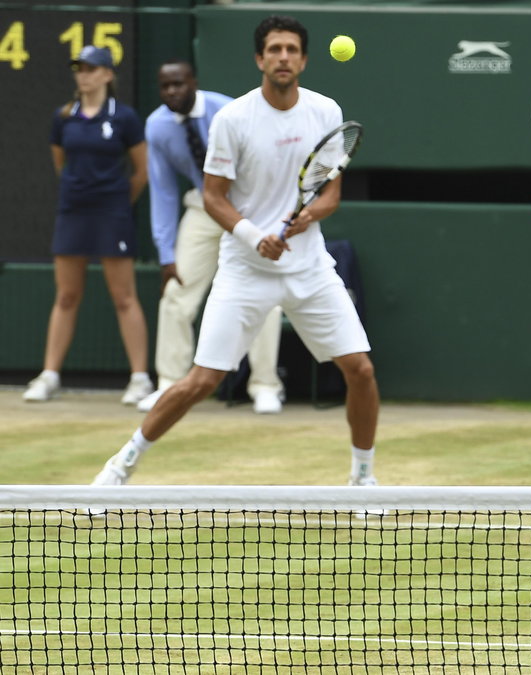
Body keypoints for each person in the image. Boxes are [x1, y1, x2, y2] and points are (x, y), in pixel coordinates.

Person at [90, 15, 381, 492]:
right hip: (246, 268)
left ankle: (363, 479)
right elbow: (213, 197)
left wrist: (309, 217)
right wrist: (253, 236)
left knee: (361, 370)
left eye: (291, 49)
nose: (283, 57)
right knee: (201, 381)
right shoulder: (233, 119)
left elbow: (329, 193)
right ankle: (120, 465)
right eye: (274, 49)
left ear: (303, 59)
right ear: (259, 59)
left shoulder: (326, 111)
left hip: (309, 267)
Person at [141, 60, 285, 415]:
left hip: (250, 209)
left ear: (194, 82)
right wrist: (165, 252)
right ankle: (170, 386)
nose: (172, 92)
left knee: (265, 294)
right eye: (165, 87)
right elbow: (163, 191)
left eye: (178, 84)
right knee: (176, 292)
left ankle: (265, 385)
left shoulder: (229, 111)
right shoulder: (157, 127)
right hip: (203, 209)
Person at [24, 45, 153, 406]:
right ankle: (49, 375)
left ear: (108, 75)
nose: (84, 74)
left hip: (112, 213)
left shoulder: (125, 118)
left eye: (92, 68)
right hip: (73, 211)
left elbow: (141, 171)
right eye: (79, 68)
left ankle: (140, 379)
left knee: (124, 297)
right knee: (66, 296)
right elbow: (61, 163)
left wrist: (115, 202)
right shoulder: (62, 117)